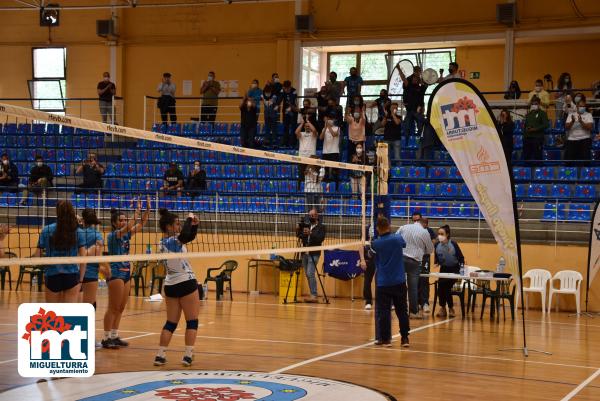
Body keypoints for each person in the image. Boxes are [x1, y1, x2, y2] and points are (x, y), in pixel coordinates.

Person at [154, 209, 200, 367]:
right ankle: (188, 355)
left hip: (170, 285)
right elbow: (184, 236)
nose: (179, 226)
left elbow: (188, 236)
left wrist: (194, 226)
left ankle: (160, 355)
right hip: (186, 282)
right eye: (177, 224)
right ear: (168, 227)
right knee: (192, 322)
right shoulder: (172, 241)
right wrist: (189, 220)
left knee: (171, 323)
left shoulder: (160, 243)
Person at [102, 198, 150, 349]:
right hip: (115, 273)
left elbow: (140, 224)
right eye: (121, 220)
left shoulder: (127, 235)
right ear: (115, 223)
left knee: (121, 307)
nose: (123, 222)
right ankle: (106, 337)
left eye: (124, 220)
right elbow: (129, 226)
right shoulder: (113, 235)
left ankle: (115, 336)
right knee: (113, 306)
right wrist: (136, 211)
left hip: (126, 272)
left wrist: (147, 210)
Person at [32, 201, 100, 303]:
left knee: (53, 314)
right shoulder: (78, 232)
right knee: (69, 314)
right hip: (71, 276)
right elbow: (83, 259)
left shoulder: (46, 230)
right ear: (72, 212)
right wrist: (81, 280)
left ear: (57, 212)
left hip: (52, 275)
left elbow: (37, 256)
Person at [370, 216, 410, 348]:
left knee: (384, 311)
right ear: (389, 226)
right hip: (399, 281)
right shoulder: (397, 238)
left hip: (383, 282)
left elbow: (370, 254)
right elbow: (404, 244)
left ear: (377, 228)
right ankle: (405, 338)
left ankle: (386, 339)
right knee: (402, 310)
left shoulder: (376, 243)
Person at [396, 216, 434, 319]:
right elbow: (430, 250)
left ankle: (400, 310)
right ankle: (413, 312)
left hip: (401, 259)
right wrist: (422, 251)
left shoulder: (404, 227)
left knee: (400, 285)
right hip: (415, 262)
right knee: (413, 288)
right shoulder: (425, 232)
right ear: (425, 224)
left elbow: (395, 239)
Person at [434, 225, 465, 318]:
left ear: (447, 234)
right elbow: (437, 257)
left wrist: (462, 269)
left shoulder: (453, 244)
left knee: (446, 287)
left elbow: (461, 258)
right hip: (444, 269)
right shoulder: (436, 245)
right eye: (438, 234)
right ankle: (443, 308)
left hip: (454, 269)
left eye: (442, 234)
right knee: (440, 288)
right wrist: (437, 262)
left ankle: (451, 308)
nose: (439, 235)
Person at [297, 208, 326, 303]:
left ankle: (314, 295)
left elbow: (320, 239)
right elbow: (300, 236)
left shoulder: (321, 227)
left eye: (312, 215)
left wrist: (310, 233)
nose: (311, 217)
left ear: (317, 216)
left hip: (314, 253)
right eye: (309, 215)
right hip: (305, 253)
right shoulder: (307, 225)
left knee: (310, 273)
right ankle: (312, 294)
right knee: (307, 274)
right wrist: (298, 230)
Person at [79, 208, 105, 310]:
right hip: (91, 273)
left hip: (76, 272)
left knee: (74, 308)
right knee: (89, 306)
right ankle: (87, 326)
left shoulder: (77, 233)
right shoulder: (97, 235)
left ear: (83, 219)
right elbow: (97, 256)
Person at [400, 66, 427, 140]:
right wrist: (399, 69)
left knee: (420, 125)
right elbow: (403, 78)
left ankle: (421, 139)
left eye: (416, 79)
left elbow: (428, 82)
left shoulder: (421, 88)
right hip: (410, 110)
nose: (415, 79)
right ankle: (407, 140)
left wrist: (422, 107)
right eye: (414, 78)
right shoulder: (409, 86)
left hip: (418, 110)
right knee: (407, 126)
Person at [417, 217, 436, 313]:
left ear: (426, 224)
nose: (422, 224)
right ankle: (416, 302)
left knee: (424, 280)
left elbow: (432, 244)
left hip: (425, 258)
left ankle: (425, 303)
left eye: (424, 223)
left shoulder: (429, 231)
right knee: (416, 280)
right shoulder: (416, 231)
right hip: (416, 258)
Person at [523, 96, 549, 161]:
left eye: (536, 104)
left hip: (537, 138)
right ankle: (527, 169)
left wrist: (535, 129)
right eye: (533, 104)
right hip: (527, 137)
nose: (534, 105)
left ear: (539, 104)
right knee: (526, 155)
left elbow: (546, 125)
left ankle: (538, 169)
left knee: (537, 155)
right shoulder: (529, 114)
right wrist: (526, 128)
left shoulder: (542, 113)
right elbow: (525, 124)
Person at [295, 118, 318, 189]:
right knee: (301, 175)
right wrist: (302, 123)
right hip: (302, 157)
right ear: (304, 127)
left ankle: (311, 189)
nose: (307, 127)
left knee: (311, 175)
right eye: (306, 126)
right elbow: (296, 132)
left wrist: (308, 122)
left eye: (309, 126)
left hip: (311, 158)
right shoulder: (301, 134)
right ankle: (300, 190)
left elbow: (314, 130)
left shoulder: (314, 134)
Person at [319, 113, 340, 184]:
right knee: (326, 170)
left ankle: (336, 185)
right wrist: (325, 128)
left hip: (334, 151)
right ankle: (327, 185)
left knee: (335, 170)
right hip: (325, 152)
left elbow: (334, 135)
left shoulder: (337, 128)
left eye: (329, 119)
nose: (328, 121)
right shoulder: (324, 129)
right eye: (327, 119)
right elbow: (321, 138)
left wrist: (328, 127)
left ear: (333, 120)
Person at [359, 223, 375, 310]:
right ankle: (368, 301)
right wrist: (362, 260)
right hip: (368, 259)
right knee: (367, 280)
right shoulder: (366, 228)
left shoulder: (384, 226)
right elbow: (361, 245)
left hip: (380, 258)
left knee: (383, 281)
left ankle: (389, 302)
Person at [281, 80, 298, 148]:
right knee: (285, 127)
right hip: (285, 112)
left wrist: (290, 107)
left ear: (290, 87)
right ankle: (285, 143)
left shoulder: (294, 91)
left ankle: (293, 143)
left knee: (293, 127)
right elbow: (280, 98)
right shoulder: (283, 90)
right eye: (285, 88)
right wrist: (276, 105)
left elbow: (292, 99)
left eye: (287, 88)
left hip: (293, 112)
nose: (286, 90)